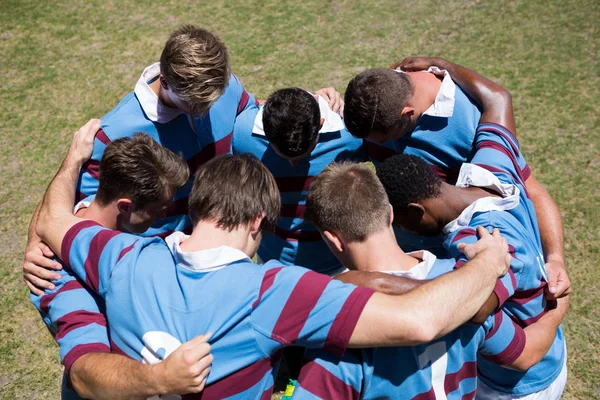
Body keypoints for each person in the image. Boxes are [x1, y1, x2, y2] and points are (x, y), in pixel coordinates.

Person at [35, 121, 512, 399]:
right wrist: (488, 263)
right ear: (258, 222)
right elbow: (420, 321)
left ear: (197, 206)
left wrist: (74, 159)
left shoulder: (120, 256)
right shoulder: (275, 291)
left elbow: (53, 222)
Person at [23, 25, 255, 398]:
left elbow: (253, 119)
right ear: (166, 79)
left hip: (204, 269)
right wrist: (38, 241)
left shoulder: (220, 87)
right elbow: (72, 210)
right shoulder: (115, 133)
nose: (205, 112)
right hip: (139, 284)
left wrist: (314, 105)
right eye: (193, 105)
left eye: (211, 103)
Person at [291, 161, 567, 399]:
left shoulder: (340, 330)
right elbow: (524, 355)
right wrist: (558, 309)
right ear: (389, 213)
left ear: (332, 239)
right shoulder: (470, 287)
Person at [376, 61, 567, 398]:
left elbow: (473, 307)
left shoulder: (479, 242)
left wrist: (379, 281)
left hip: (515, 386)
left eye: (399, 221)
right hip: (548, 358)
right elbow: (498, 99)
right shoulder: (492, 165)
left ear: (416, 212)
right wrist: (441, 65)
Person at [343, 57, 570, 299]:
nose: (375, 146)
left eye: (382, 139)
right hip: (401, 262)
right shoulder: (379, 97)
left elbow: (531, 191)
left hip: (462, 271)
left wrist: (554, 258)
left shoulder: (469, 121)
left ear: (406, 114)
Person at [30, 120, 213, 398]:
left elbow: (51, 213)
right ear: (126, 207)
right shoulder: (57, 273)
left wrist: (74, 159)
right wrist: (162, 379)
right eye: (157, 210)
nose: (164, 217)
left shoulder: (81, 209)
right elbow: (84, 371)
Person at [232, 87, 366, 276]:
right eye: (284, 154)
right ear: (266, 130)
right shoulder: (242, 134)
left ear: (320, 124)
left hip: (335, 267)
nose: (294, 164)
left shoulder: (350, 137)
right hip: (271, 264)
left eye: (305, 153)